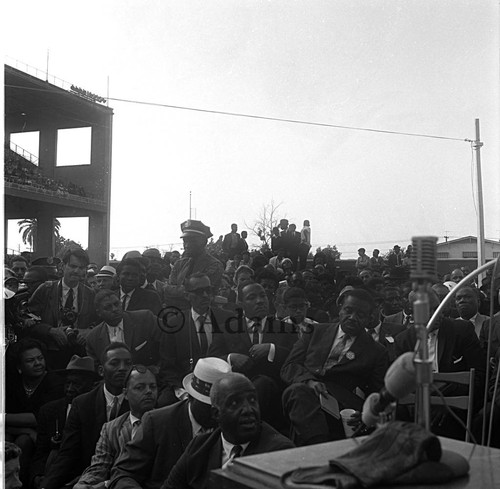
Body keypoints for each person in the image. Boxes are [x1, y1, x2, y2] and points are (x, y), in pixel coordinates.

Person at [281, 289, 389, 446]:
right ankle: (319, 446)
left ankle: (311, 448)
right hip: (306, 397)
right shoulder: (314, 331)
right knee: (299, 393)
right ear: (340, 310)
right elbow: (289, 366)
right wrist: (309, 382)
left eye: (360, 314)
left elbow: (378, 392)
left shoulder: (376, 351)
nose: (352, 317)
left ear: (369, 318)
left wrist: (367, 414)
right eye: (348, 310)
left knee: (299, 402)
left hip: (342, 409)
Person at [109, 357, 231, 489]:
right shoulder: (157, 422)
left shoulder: (231, 424)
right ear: (190, 397)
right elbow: (123, 473)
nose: (216, 413)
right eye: (208, 406)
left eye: (222, 407)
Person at [165, 372, 294, 489]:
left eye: (252, 400)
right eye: (234, 403)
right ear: (216, 414)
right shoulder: (199, 447)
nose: (248, 410)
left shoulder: (280, 452)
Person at [395, 288, 486, 439]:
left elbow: (479, 376)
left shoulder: (461, 331)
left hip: (455, 405)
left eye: (437, 308)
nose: (435, 314)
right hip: (418, 405)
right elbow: (402, 384)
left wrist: (446, 404)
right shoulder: (403, 340)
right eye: (427, 309)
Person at [40, 343, 132, 489]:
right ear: (101, 370)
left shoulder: (138, 403)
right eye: (115, 363)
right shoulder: (83, 404)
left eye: (128, 363)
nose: (122, 368)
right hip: (87, 476)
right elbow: (68, 453)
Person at [208, 283, 297, 429]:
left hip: (275, 397)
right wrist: (231, 358)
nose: (260, 300)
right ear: (241, 304)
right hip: (234, 392)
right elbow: (211, 359)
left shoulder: (286, 329)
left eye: (263, 296)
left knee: (262, 383)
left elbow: (295, 360)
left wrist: (272, 350)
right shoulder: (227, 328)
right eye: (252, 297)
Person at [74, 366, 158, 489]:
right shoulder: (111, 429)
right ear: (125, 393)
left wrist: (108, 484)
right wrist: (84, 485)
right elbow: (99, 467)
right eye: (140, 387)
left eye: (153, 386)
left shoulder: (168, 423)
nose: (149, 391)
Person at [157, 274, 233, 406]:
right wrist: (179, 390)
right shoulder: (175, 323)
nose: (205, 295)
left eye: (208, 290)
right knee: (164, 402)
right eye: (198, 291)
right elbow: (167, 364)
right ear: (187, 296)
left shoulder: (227, 319)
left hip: (220, 383)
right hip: (185, 384)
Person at [31, 355, 100, 489]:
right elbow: (40, 452)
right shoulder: (49, 411)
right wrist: (36, 477)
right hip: (51, 473)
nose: (69, 389)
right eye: (67, 383)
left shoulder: (99, 412)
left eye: (76, 384)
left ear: (91, 386)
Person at [6, 340, 64, 487]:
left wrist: (2, 417)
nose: (38, 363)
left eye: (40, 358)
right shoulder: (13, 383)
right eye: (30, 360)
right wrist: (26, 429)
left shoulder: (53, 382)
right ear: (19, 367)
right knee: (5, 439)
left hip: (46, 434)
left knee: (23, 442)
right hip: (17, 431)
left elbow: (36, 418)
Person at [28, 247, 98, 368]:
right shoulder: (45, 289)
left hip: (79, 355)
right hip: (50, 353)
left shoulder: (90, 294)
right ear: (63, 266)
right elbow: (27, 319)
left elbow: (99, 321)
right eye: (72, 266)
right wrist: (50, 330)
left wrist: (89, 331)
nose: (76, 271)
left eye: (81, 268)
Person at [85, 289, 161, 370]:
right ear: (99, 313)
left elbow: (167, 342)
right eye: (108, 307)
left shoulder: (145, 319)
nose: (114, 309)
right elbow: (96, 369)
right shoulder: (93, 338)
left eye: (116, 304)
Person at [163, 220, 224, 309]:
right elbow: (167, 291)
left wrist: (171, 289)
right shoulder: (179, 263)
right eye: (185, 241)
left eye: (192, 241)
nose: (187, 245)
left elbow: (198, 292)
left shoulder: (214, 265)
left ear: (204, 242)